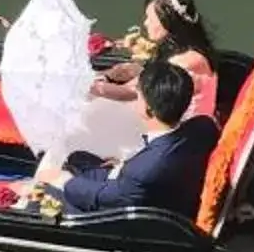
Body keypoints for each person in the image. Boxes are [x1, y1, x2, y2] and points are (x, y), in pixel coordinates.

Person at [59, 55, 219, 217]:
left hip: (133, 214)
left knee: (48, 187)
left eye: (139, 95)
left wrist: (62, 182)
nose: (136, 98)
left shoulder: (142, 172)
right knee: (77, 158)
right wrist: (124, 165)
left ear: (148, 109)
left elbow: (103, 198)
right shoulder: (204, 126)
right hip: (149, 184)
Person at [91, 0, 221, 121]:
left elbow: (129, 92)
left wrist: (87, 84)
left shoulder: (186, 61)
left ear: (168, 22)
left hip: (186, 131)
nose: (145, 23)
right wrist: (123, 73)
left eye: (150, 19)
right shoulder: (188, 48)